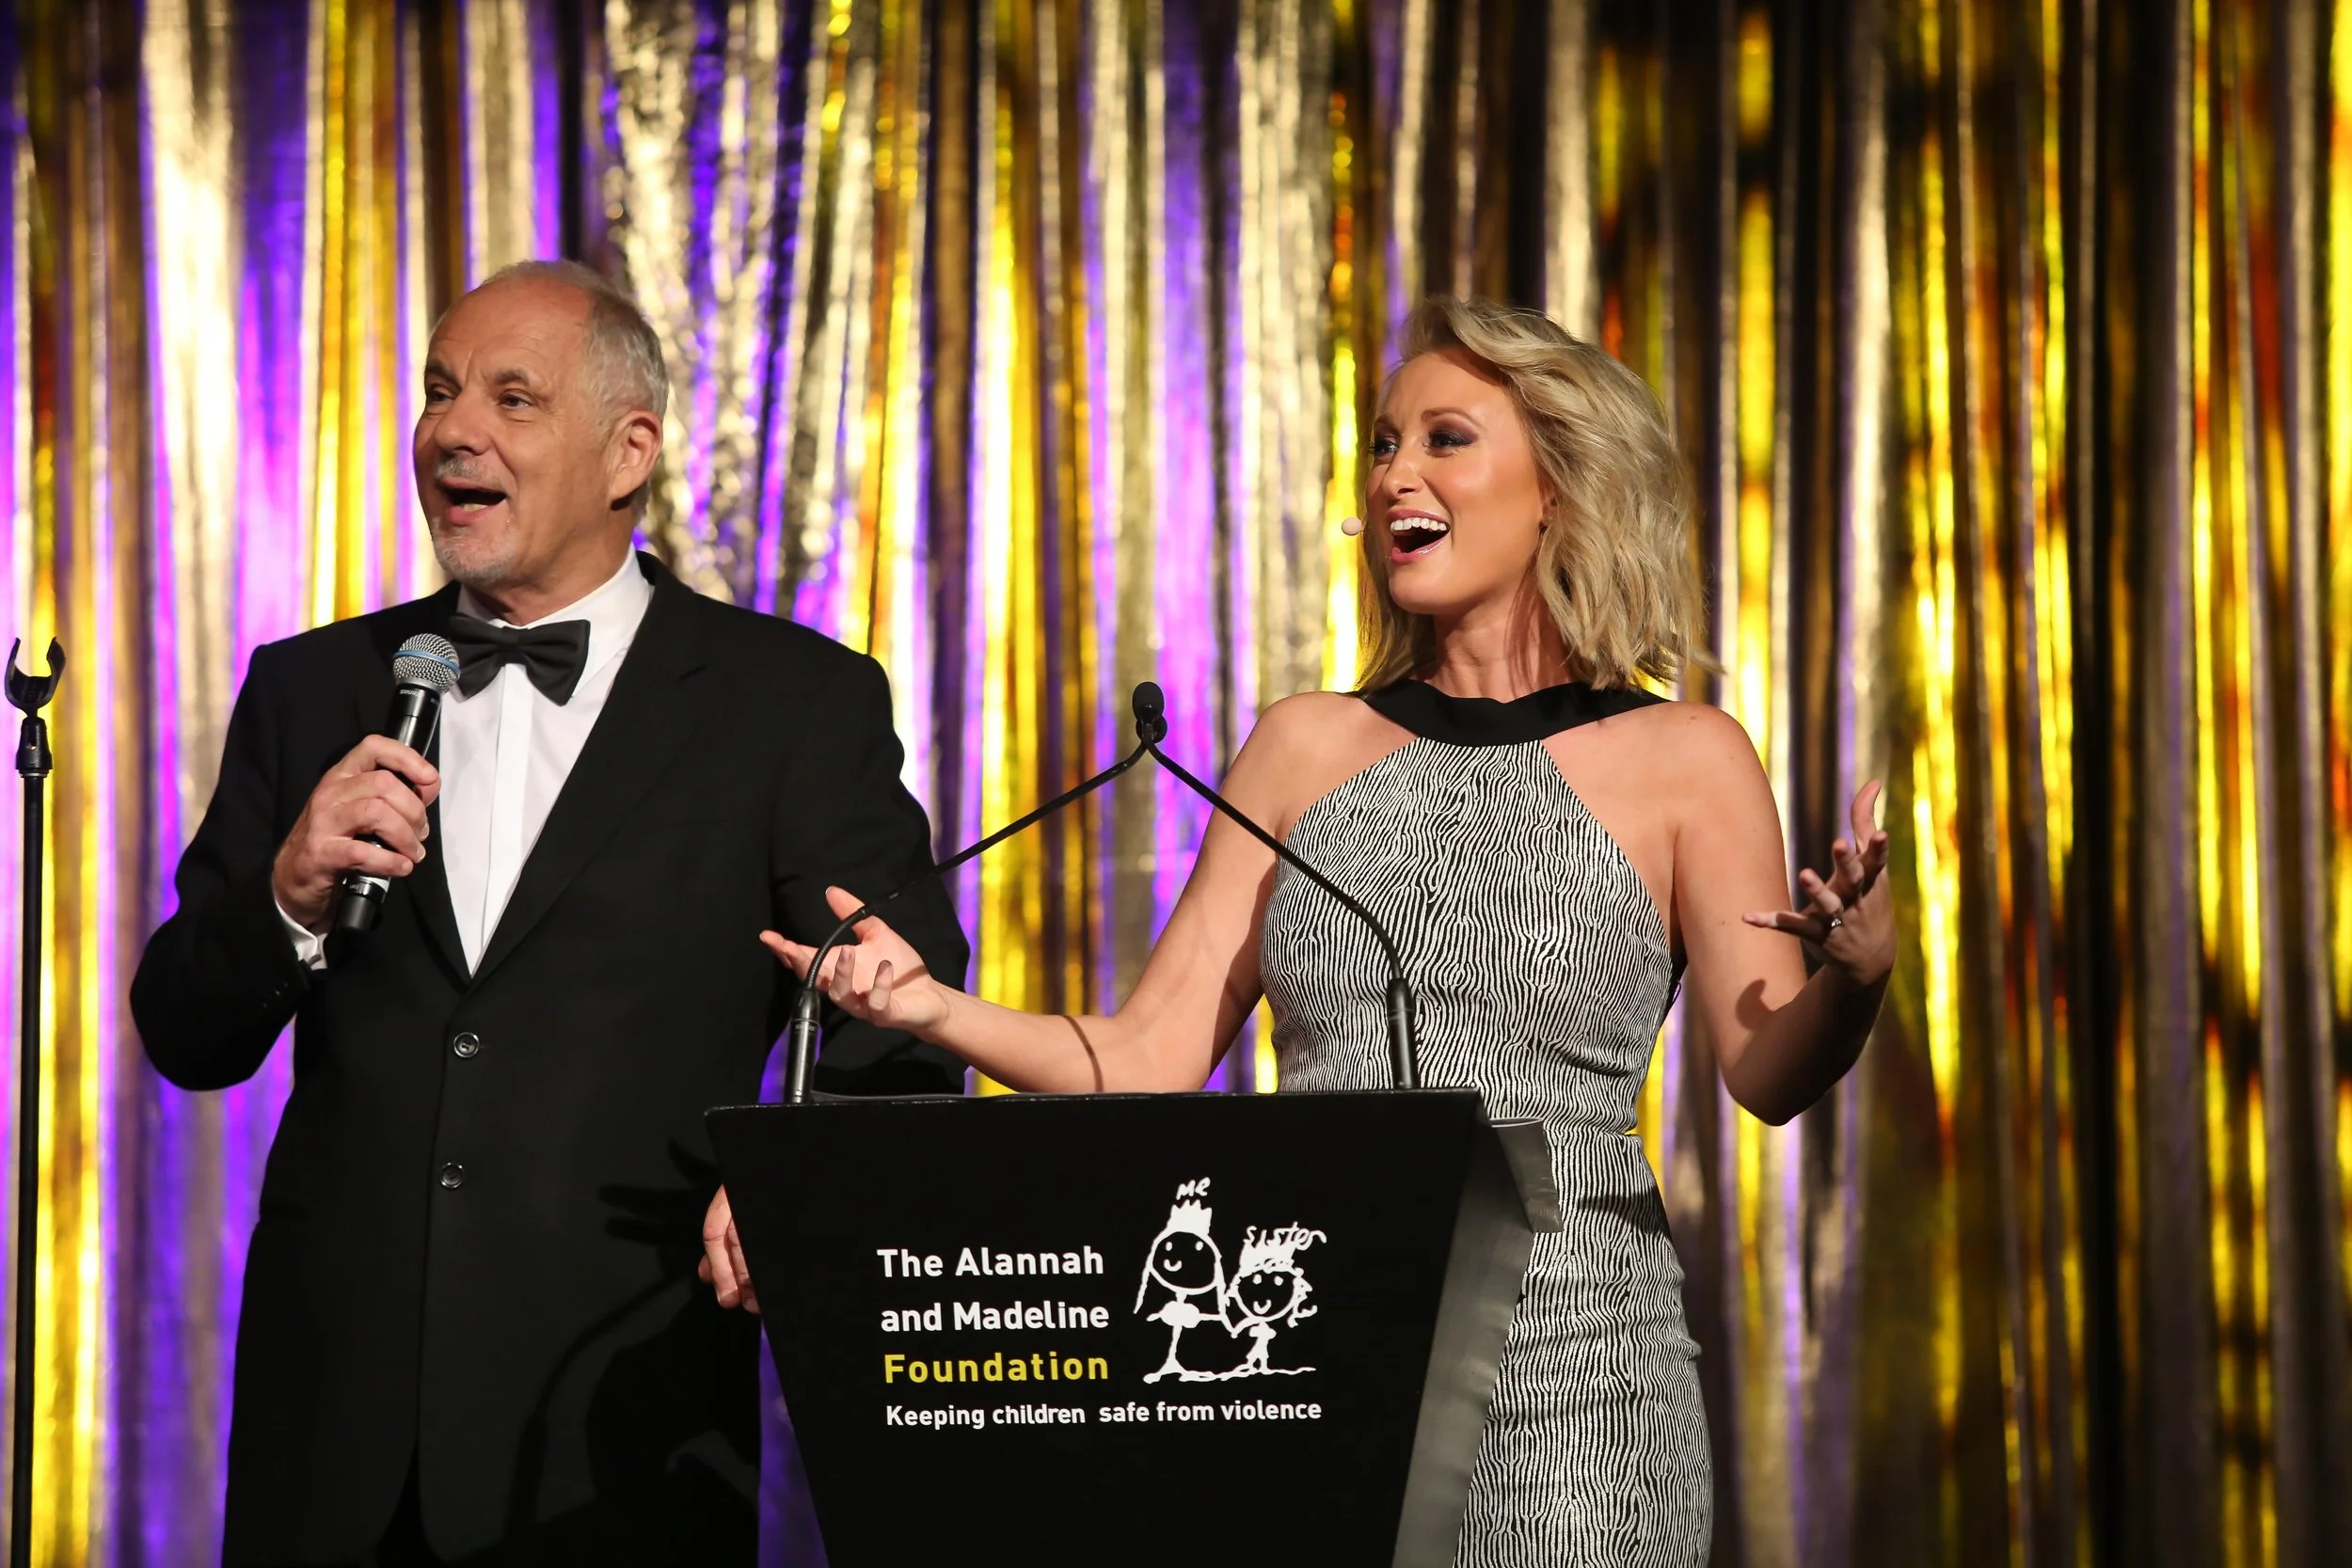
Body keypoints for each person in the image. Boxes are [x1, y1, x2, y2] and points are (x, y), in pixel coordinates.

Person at [746, 297, 1897, 1566]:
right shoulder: (1304, 745)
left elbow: (1770, 1068)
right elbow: (1147, 1054)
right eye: (1384, 442)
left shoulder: (1683, 757)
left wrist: (1856, 979)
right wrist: (926, 1008)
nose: (1394, 472)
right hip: (1308, 1355)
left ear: (1559, 486)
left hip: (1575, 1375)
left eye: (1445, 439)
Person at [131, 260, 967, 1567]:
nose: (453, 430)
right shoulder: (312, 686)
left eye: (512, 399)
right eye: (440, 392)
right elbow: (185, 1029)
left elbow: (902, 1016)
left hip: (622, 1423)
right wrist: (287, 894)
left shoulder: (790, 704)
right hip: (335, 1435)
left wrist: (796, 1182)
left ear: (628, 451)